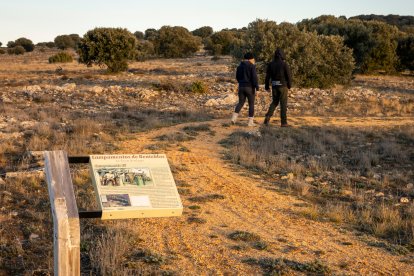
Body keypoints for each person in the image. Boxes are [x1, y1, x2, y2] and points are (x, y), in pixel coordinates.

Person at [264, 48, 292, 127]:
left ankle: (268, 115)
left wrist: (267, 86)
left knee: (275, 102)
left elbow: (267, 76)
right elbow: (288, 76)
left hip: (274, 86)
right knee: (283, 104)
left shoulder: (270, 64)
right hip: (283, 86)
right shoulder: (284, 64)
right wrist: (289, 85)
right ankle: (283, 122)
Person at [231, 52, 259, 127]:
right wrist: (257, 87)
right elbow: (254, 77)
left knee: (240, 103)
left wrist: (241, 82)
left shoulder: (239, 66)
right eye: (253, 59)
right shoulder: (252, 66)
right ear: (251, 59)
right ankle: (250, 122)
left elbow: (237, 77)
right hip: (250, 87)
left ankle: (234, 118)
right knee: (251, 104)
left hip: (241, 87)